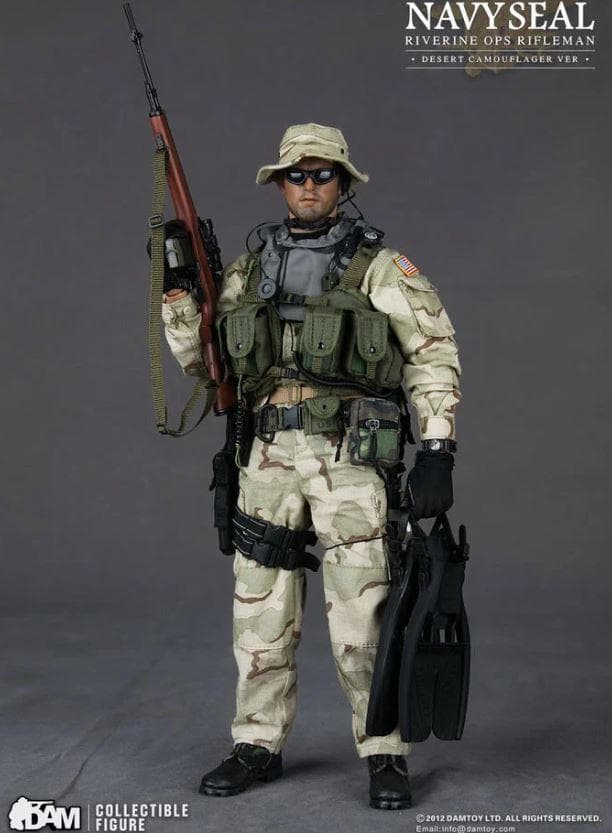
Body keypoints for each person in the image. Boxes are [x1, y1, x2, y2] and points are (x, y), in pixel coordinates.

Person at [160, 123, 461, 810]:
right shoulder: (248, 269)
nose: (308, 186)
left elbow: (432, 351)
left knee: (365, 612)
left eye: (323, 174)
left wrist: (438, 447)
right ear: (279, 184)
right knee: (259, 610)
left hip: (350, 456)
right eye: (296, 175)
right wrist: (180, 295)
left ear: (343, 183)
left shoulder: (379, 266)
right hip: (267, 458)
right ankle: (257, 743)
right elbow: (205, 364)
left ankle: (384, 749)